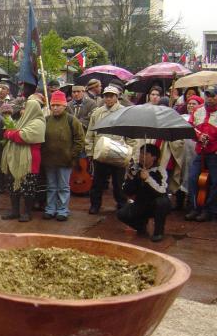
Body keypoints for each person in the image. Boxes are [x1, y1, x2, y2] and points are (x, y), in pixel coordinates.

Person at [85, 86, 136, 214]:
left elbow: (130, 136)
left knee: (118, 182)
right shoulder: (97, 113)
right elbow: (90, 133)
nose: (108, 98)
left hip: (118, 152)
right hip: (101, 152)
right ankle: (95, 205)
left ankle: (121, 203)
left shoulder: (125, 112)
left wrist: (131, 154)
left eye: (111, 96)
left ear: (117, 97)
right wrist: (90, 152)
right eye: (106, 96)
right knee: (98, 182)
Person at [0, 97, 46, 222]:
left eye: (26, 108)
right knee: (13, 186)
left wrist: (10, 134)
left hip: (29, 160)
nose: (24, 110)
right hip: (15, 159)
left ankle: (27, 213)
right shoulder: (21, 121)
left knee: (28, 187)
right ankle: (15, 211)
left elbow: (24, 136)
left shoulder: (39, 122)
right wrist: (10, 133)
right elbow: (9, 131)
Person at [42, 90, 85, 221]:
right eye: (53, 105)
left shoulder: (72, 121)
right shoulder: (46, 120)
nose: (55, 108)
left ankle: (62, 210)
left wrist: (72, 155)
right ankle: (50, 209)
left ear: (64, 106)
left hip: (66, 161)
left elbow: (80, 140)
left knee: (63, 187)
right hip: (49, 161)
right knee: (51, 186)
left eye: (58, 105)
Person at [118, 144, 171, 242]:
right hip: (141, 203)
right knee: (122, 214)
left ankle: (158, 232)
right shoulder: (135, 169)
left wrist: (148, 179)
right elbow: (126, 190)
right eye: (141, 153)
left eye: (145, 154)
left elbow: (162, 191)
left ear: (154, 157)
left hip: (155, 203)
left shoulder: (160, 171)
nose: (142, 156)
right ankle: (140, 225)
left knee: (162, 202)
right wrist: (132, 179)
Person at [185, 85, 217, 222]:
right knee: (192, 178)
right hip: (200, 152)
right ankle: (195, 207)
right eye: (208, 95)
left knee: (215, 182)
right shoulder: (198, 110)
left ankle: (209, 209)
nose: (209, 98)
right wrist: (199, 136)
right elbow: (190, 128)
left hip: (214, 154)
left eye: (213, 96)